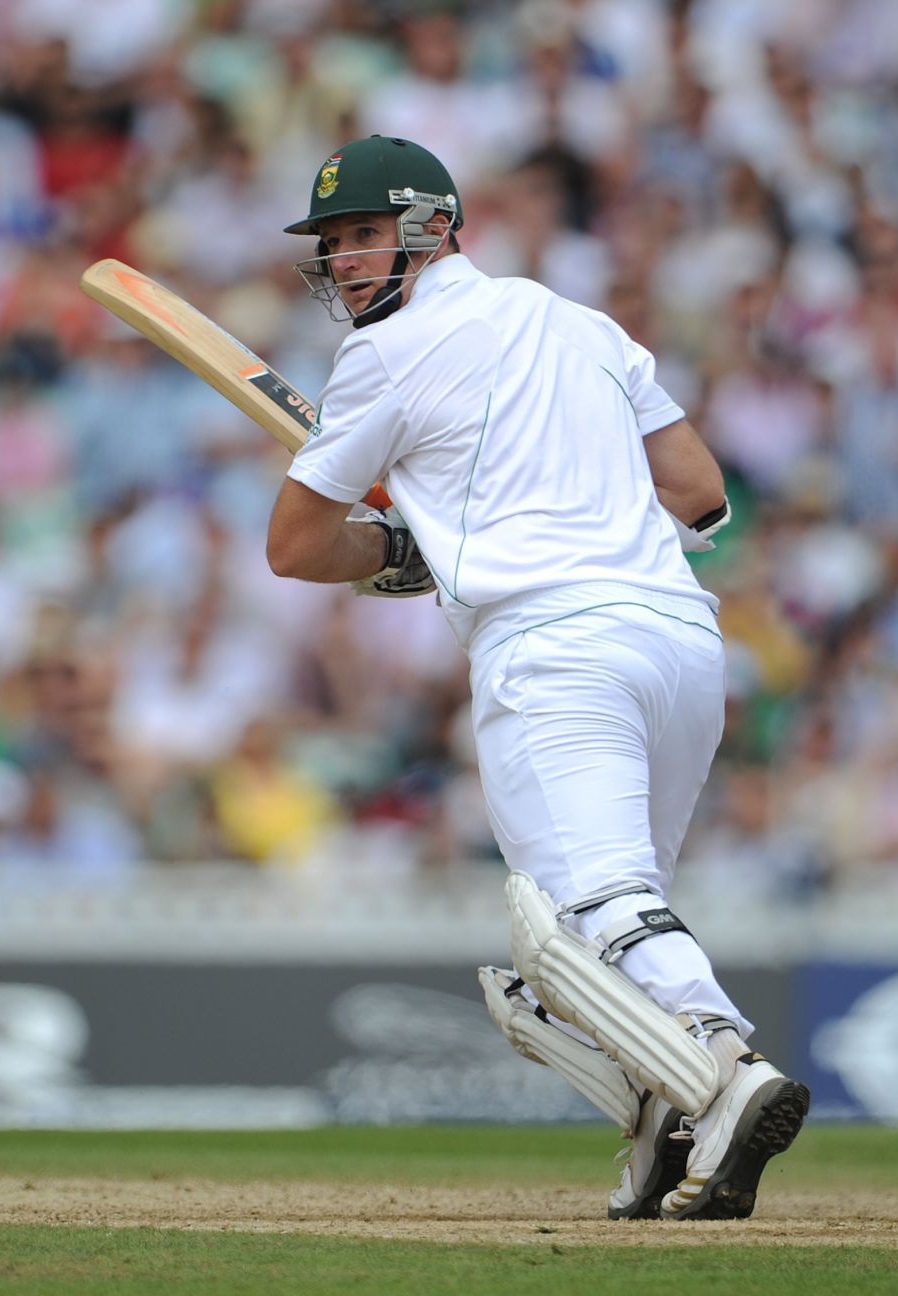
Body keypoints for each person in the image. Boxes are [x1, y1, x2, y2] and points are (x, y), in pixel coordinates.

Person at [264, 136, 807, 1221]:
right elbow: (700, 491)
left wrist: (397, 558)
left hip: (553, 648)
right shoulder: (582, 322)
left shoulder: (385, 355)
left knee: (585, 916)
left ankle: (724, 1065)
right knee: (600, 923)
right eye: (333, 242)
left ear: (434, 227)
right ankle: (663, 1121)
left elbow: (293, 544)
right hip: (682, 641)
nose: (346, 260)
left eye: (365, 234)